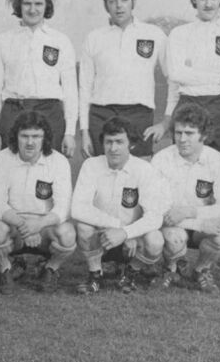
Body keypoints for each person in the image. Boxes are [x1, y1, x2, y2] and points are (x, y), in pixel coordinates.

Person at [146, 0, 220, 158]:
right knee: (188, 168)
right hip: (189, 105)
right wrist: (218, 77)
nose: (208, 4)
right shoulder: (179, 34)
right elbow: (176, 75)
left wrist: (191, 70)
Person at [71, 117, 166, 294]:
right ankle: (95, 275)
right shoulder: (91, 165)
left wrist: (127, 233)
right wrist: (118, 228)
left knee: (155, 240)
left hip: (133, 240)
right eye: (109, 142)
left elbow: (155, 216)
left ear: (131, 145)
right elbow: (77, 208)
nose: (113, 148)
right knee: (83, 227)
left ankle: (130, 274)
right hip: (103, 235)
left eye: (119, 142)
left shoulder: (144, 169)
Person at [0, 111, 76, 294]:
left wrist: (39, 224)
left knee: (67, 234)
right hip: (14, 224)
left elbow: (63, 206)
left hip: (44, 227)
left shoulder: (58, 161)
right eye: (24, 136)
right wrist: (22, 224)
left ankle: (51, 269)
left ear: (45, 138)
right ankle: (5, 269)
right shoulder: (1, 159)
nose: (30, 142)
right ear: (15, 136)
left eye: (36, 136)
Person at [0, 0, 78, 157]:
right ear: (19, 5)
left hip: (50, 113)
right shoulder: (3, 41)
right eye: (27, 3)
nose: (32, 9)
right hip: (13, 112)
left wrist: (70, 133)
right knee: (12, 170)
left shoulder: (60, 41)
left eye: (38, 4)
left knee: (47, 173)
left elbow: (70, 91)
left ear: (46, 6)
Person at [150, 102, 220, 294]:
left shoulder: (219, 161)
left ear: (203, 135)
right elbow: (157, 206)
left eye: (189, 133)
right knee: (174, 237)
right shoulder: (161, 160)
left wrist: (190, 213)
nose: (182, 139)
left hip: (197, 220)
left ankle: (201, 270)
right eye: (178, 133)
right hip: (172, 223)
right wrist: (194, 221)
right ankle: (171, 269)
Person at [78, 0, 167, 159]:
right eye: (113, 1)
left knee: (138, 175)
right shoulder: (94, 37)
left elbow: (173, 78)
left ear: (133, 2)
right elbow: (85, 88)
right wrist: (85, 131)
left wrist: (165, 123)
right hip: (101, 115)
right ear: (106, 6)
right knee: (102, 173)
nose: (119, 6)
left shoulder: (153, 34)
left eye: (124, 0)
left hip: (139, 114)